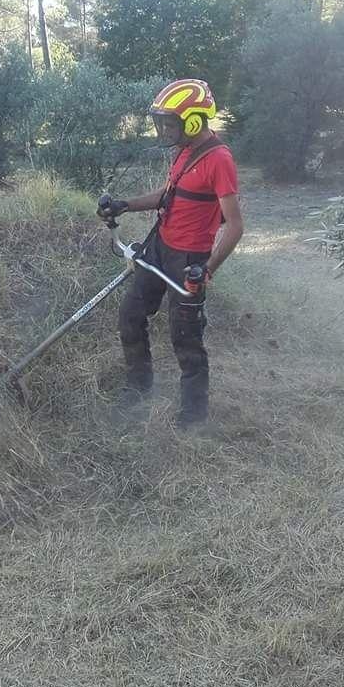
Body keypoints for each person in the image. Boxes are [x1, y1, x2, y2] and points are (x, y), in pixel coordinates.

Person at [97, 78, 243, 426]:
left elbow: (235, 225)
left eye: (169, 122)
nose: (163, 129)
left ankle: (192, 418)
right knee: (131, 315)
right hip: (159, 248)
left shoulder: (219, 160)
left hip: (190, 261)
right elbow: (168, 195)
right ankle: (139, 389)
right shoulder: (185, 151)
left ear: (194, 121)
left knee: (186, 339)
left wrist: (206, 270)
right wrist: (125, 204)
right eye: (160, 121)